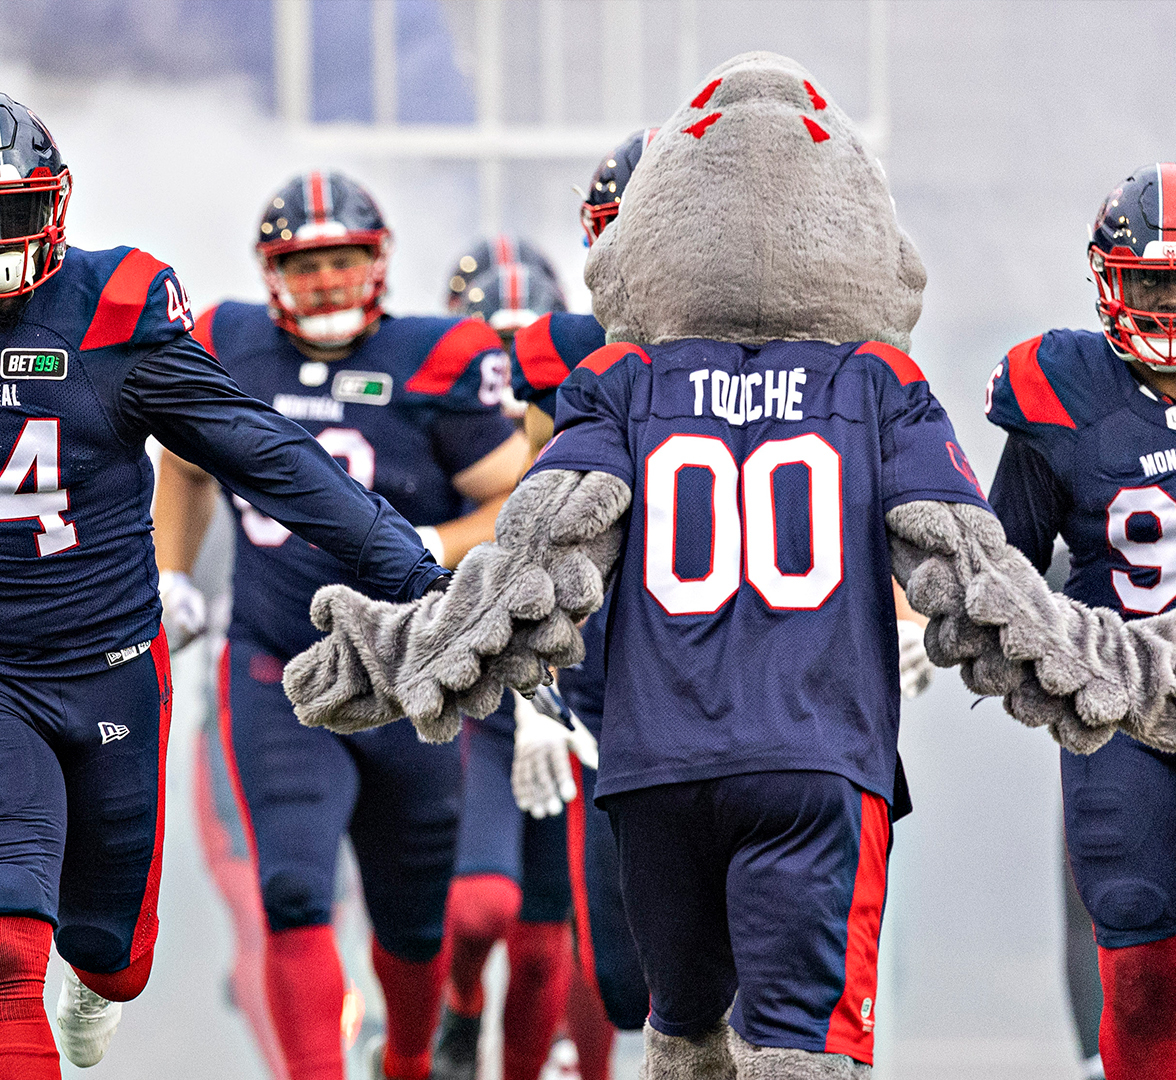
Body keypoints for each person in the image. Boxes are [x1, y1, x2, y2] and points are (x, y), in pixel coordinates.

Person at [285, 52, 988, 1078]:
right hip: (631, 704)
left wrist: (904, 620)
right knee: (638, 988)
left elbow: (541, 552)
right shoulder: (634, 364)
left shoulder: (634, 373)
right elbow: (544, 529)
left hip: (687, 725)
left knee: (709, 1012)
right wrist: (537, 696)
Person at [0, 91, 448, 1080]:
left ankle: (95, 979)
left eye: (16, 212)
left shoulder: (115, 312)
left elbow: (267, 453)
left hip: (108, 669)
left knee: (112, 955)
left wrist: (412, 571)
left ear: (57, 205)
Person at [151, 172, 523, 1080]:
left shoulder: (439, 358)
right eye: (304, 263)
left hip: (411, 673)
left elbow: (519, 498)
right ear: (272, 271)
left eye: (341, 259)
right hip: (277, 668)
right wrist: (169, 572)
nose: (324, 281)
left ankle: (404, 1060)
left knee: (414, 916)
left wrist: (429, 538)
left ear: (378, 260)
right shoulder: (230, 345)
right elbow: (187, 464)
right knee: (291, 890)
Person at [983, 162, 1176, 1080]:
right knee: (1137, 958)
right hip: (1126, 708)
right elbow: (999, 565)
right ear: (1110, 278)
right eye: (1155, 283)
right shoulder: (1062, 393)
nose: (1171, 308)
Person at [428, 235, 608, 1080]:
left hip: (578, 691)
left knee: (553, 945)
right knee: (478, 908)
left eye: (519, 351)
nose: (504, 378)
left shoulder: (594, 415)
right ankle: (460, 1008)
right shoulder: (442, 425)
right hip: (480, 695)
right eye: (488, 350)